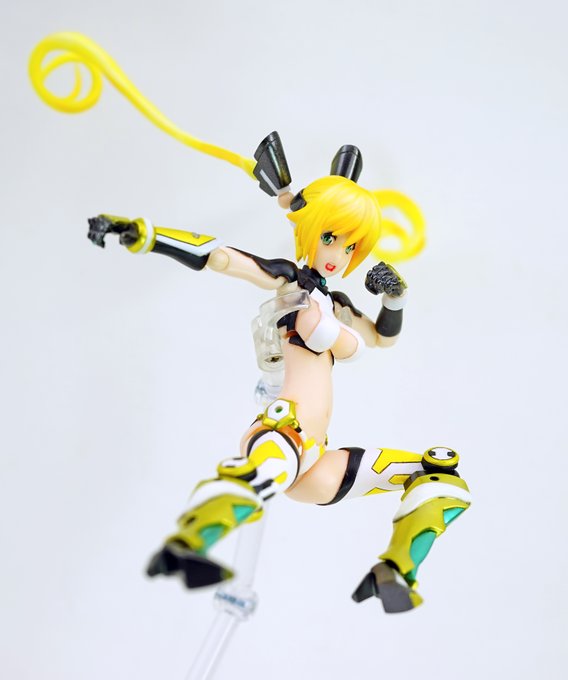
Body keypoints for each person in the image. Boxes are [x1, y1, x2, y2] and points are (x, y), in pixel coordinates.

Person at [87, 135, 471, 613]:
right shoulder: (293, 285)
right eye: (330, 237)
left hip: (318, 460)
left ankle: (394, 570)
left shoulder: (336, 304)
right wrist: (144, 234)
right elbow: (221, 257)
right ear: (309, 229)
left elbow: (382, 339)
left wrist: (396, 300)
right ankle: (188, 543)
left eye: (350, 245)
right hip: (284, 431)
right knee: (258, 478)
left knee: (438, 475)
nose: (337, 254)